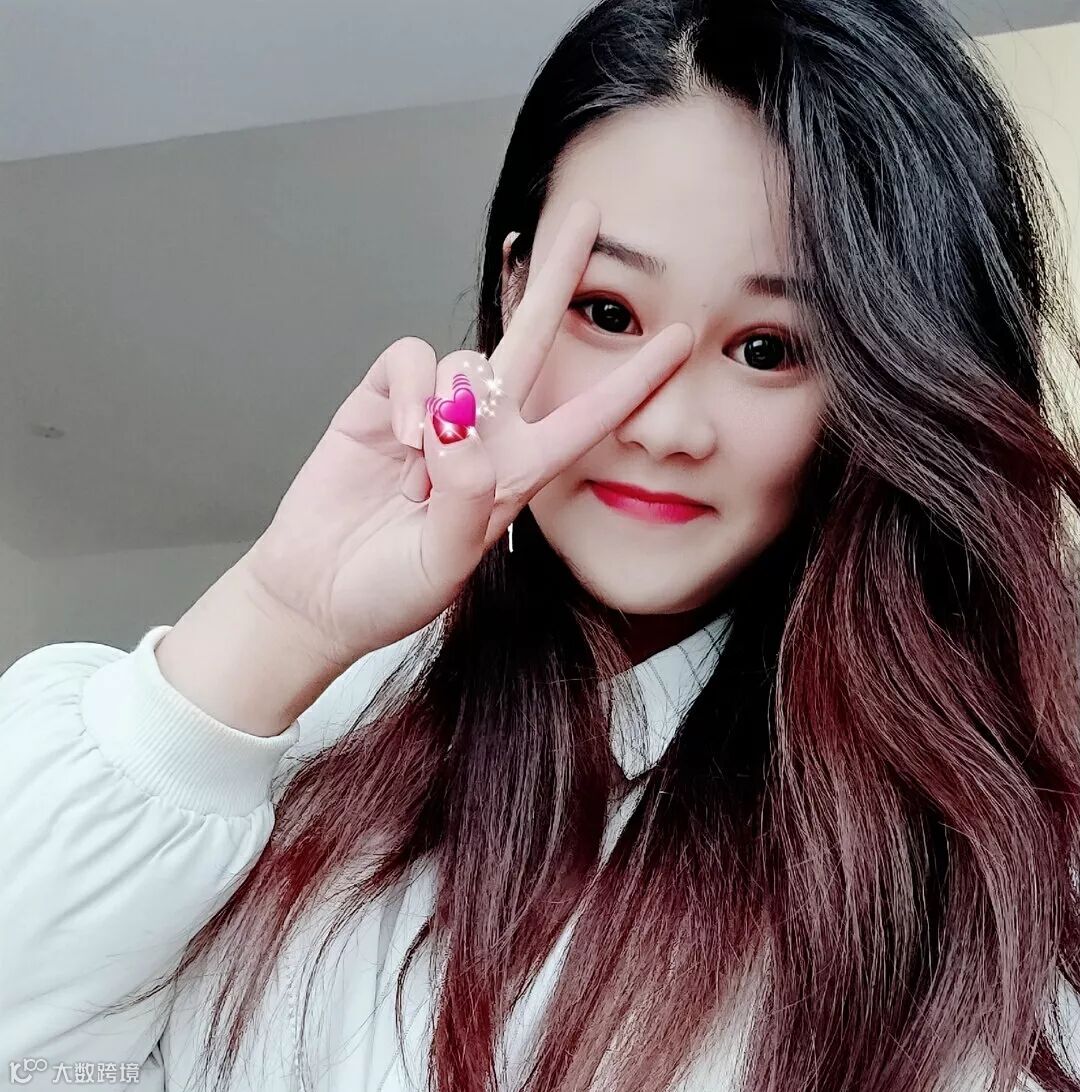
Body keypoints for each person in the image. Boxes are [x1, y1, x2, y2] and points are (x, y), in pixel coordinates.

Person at [4, 0, 1080, 1089]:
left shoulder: (985, 866)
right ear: (514, 284)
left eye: (767, 349)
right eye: (607, 312)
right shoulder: (303, 747)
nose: (665, 425)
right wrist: (280, 619)